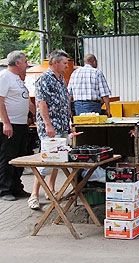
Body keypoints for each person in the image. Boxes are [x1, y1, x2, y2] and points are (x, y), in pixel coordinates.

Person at [28, 50, 71, 210]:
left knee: (58, 159)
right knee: (47, 159)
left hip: (62, 124)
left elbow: (64, 101)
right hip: (51, 126)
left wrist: (68, 119)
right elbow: (42, 103)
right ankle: (34, 194)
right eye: (64, 63)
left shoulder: (61, 79)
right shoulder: (44, 78)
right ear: (55, 63)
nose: (67, 66)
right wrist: (48, 124)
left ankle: (51, 189)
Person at [0, 50, 31, 201]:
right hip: (10, 123)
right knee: (8, 156)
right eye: (25, 62)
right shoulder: (5, 76)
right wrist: (6, 122)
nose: (27, 64)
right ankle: (4, 189)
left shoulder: (17, 78)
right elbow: (0, 101)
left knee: (20, 155)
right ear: (17, 63)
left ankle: (16, 186)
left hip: (21, 123)